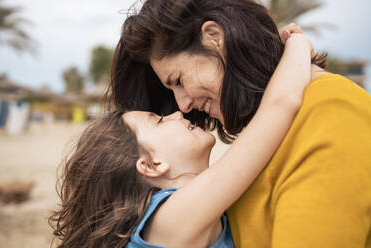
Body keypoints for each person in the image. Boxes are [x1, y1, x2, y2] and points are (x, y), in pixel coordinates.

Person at [108, 0, 371, 247]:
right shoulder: (251, 154)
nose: (182, 106)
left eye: (178, 80)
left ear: (214, 38)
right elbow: (279, 105)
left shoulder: (331, 109)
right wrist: (299, 44)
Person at [49, 33, 313, 247]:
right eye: (159, 121)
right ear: (152, 165)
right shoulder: (170, 221)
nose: (178, 112)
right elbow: (279, 106)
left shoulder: (176, 217)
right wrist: (298, 43)